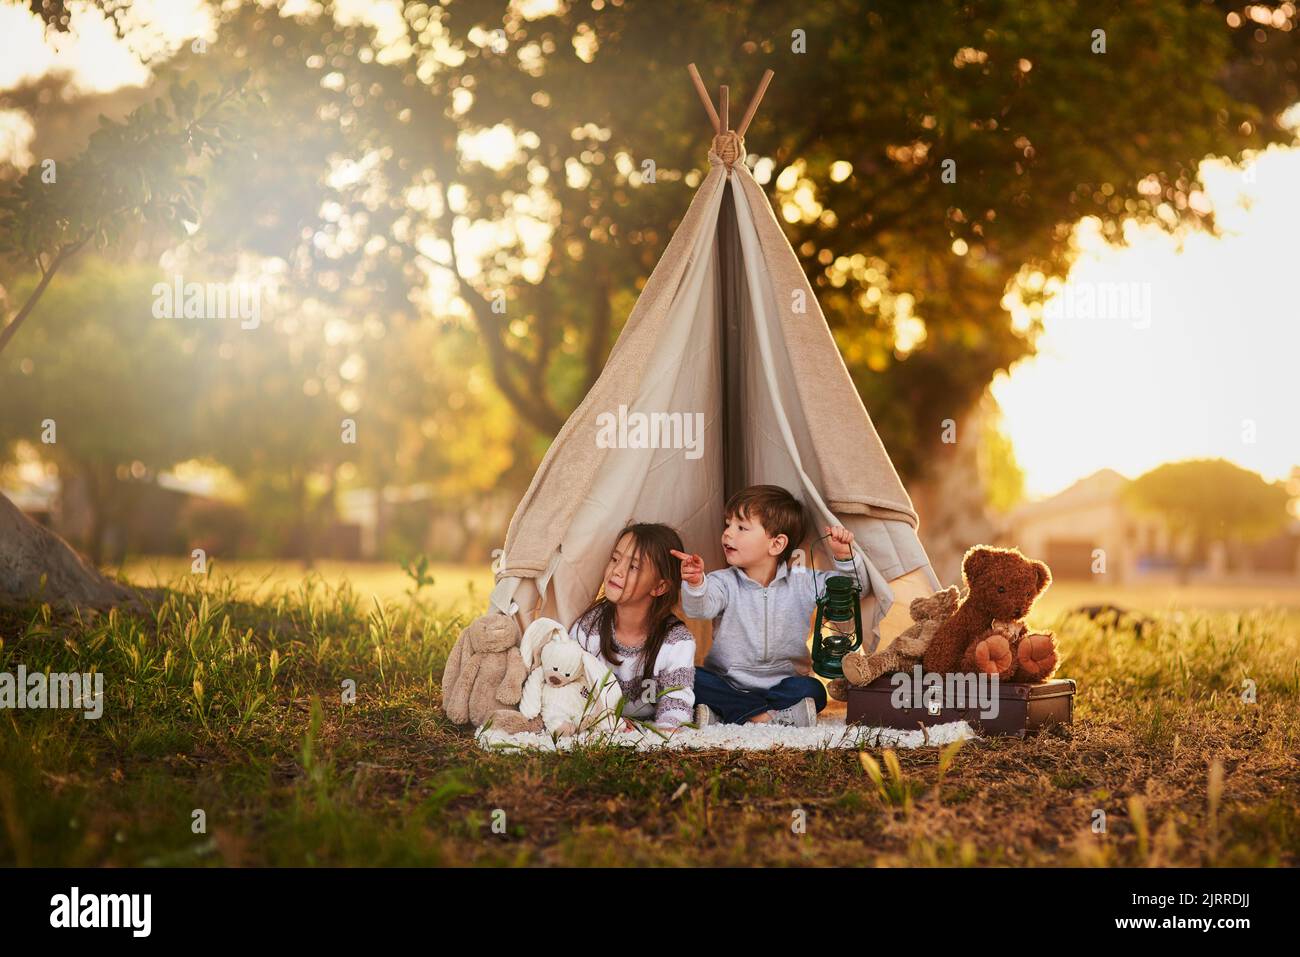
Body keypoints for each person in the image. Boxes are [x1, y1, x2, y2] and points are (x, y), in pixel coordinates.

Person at [673, 485, 868, 727]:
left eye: (741, 527)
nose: (727, 534)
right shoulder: (722, 581)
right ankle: (765, 717)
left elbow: (849, 593)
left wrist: (844, 557)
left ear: (776, 545)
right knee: (687, 677)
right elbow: (698, 609)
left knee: (814, 689)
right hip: (728, 682)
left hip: (783, 684)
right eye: (728, 525)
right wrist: (695, 582)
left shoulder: (804, 581)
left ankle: (728, 713)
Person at [570, 522, 696, 731]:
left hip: (649, 717)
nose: (616, 571)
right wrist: (608, 720)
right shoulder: (588, 628)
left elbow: (676, 702)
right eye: (615, 559)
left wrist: (664, 729)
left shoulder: (676, 641)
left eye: (633, 567)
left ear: (659, 586)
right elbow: (573, 689)